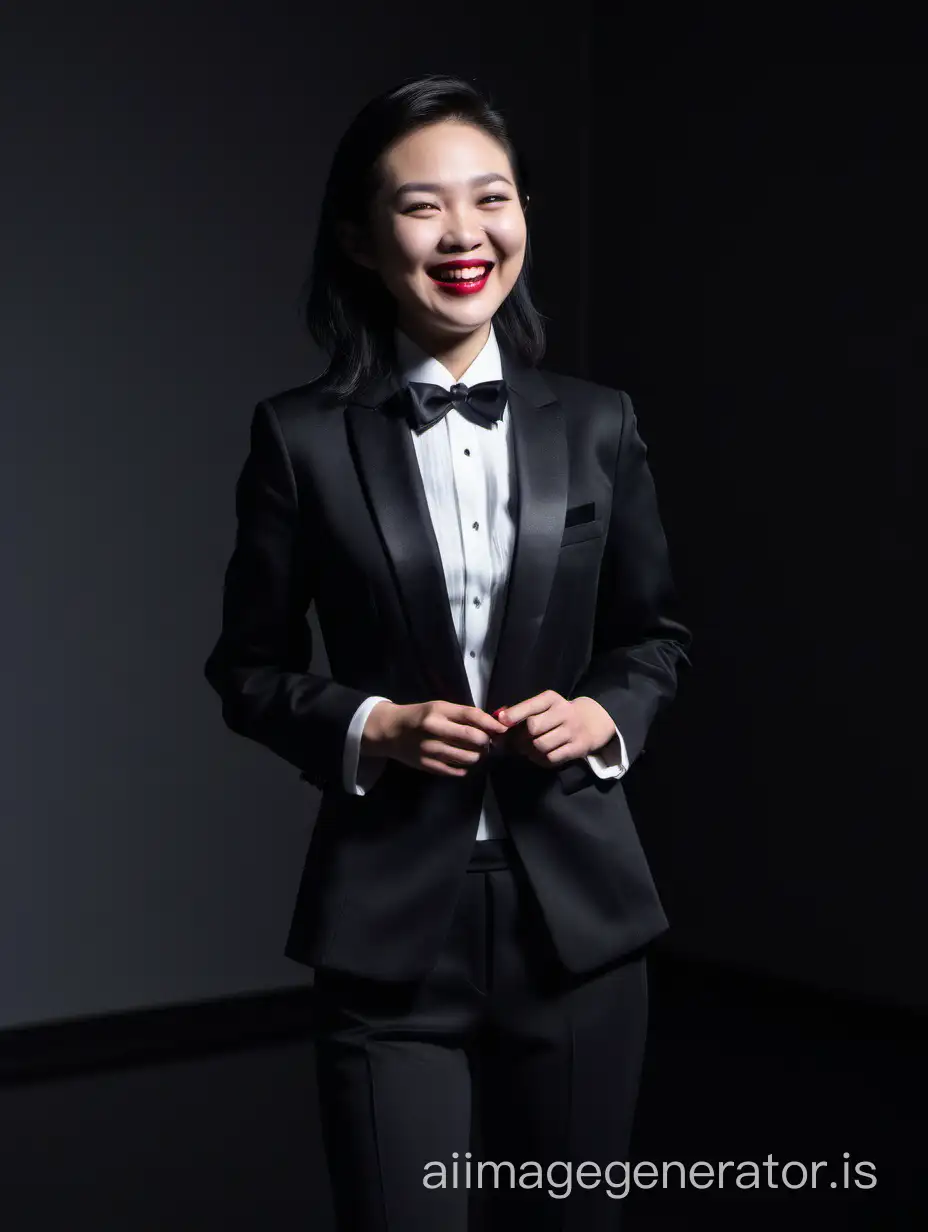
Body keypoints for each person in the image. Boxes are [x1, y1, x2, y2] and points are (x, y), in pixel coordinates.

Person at [204, 73, 691, 1231]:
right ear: (363, 242)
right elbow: (247, 667)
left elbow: (653, 634)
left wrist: (607, 714)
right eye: (422, 207)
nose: (465, 234)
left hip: (579, 925)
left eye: (493, 198)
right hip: (387, 932)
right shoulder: (300, 438)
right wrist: (373, 723)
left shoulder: (599, 421)